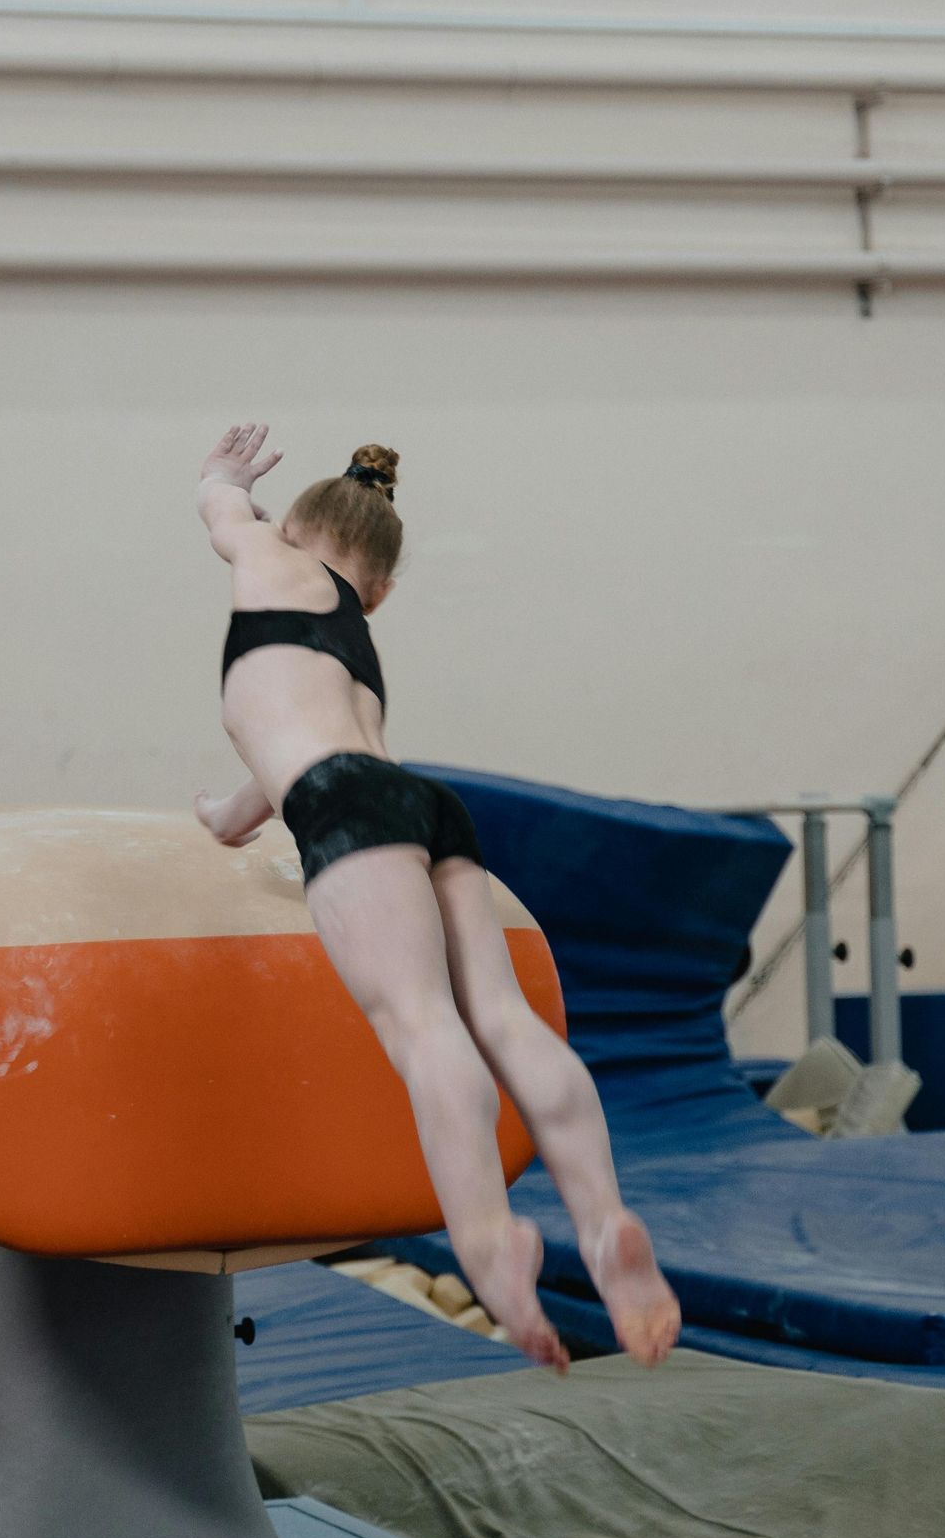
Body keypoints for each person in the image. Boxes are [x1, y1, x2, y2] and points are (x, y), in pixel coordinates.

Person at [196, 421, 679, 1371]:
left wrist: (225, 480)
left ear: (290, 528)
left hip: (342, 802)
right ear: (375, 592)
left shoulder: (267, 552)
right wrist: (224, 816)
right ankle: (604, 1218)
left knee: (424, 1029)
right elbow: (272, 778)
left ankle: (492, 1246)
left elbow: (220, 511)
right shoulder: (352, 655)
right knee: (503, 1018)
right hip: (422, 802)